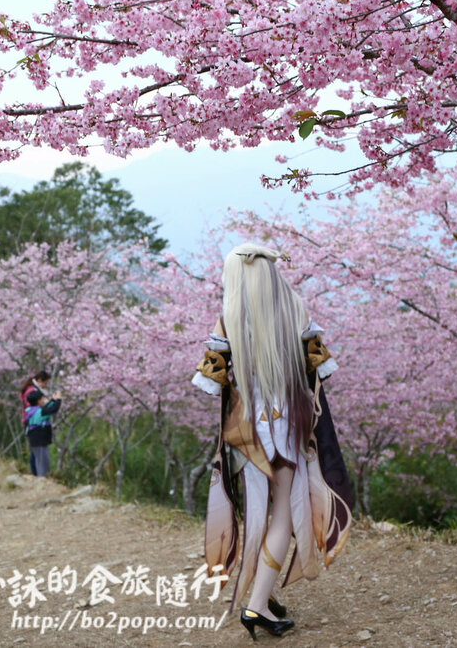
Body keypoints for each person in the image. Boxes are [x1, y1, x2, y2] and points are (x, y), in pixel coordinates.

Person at [192, 244, 352, 639]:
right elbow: (322, 371)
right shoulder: (295, 309)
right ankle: (257, 604)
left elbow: (211, 385)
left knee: (259, 514)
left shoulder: (228, 318)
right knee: (281, 514)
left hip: (246, 433)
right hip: (288, 427)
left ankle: (261, 591)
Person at [19, 371, 51, 474]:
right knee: (36, 449)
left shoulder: (29, 388)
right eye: (45, 383)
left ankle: (36, 472)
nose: (45, 386)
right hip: (33, 422)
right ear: (39, 380)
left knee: (35, 449)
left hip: (29, 420)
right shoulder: (31, 391)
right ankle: (36, 473)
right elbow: (32, 406)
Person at [24, 390, 62, 477]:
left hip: (34, 439)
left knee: (39, 460)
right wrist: (58, 399)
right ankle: (42, 482)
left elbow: (47, 407)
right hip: (40, 440)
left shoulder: (32, 410)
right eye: (42, 398)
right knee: (43, 463)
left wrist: (53, 400)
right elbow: (53, 409)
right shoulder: (40, 411)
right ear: (38, 401)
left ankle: (39, 479)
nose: (44, 400)